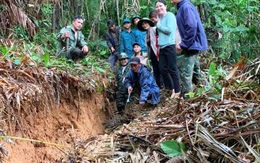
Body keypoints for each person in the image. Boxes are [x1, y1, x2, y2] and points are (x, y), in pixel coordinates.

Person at [170, 0, 211, 98]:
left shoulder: (186, 7)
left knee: (185, 77)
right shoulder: (182, 7)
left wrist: (184, 44)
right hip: (192, 45)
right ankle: (211, 94)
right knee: (197, 74)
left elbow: (192, 26)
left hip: (190, 46)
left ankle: (188, 101)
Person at [154, 0, 180, 98]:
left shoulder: (169, 16)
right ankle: (172, 88)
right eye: (157, 7)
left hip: (170, 46)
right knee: (163, 69)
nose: (159, 8)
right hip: (162, 47)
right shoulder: (159, 18)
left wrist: (158, 25)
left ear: (165, 6)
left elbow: (169, 30)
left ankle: (177, 91)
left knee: (172, 69)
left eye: (160, 6)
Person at [137, 14, 162, 88]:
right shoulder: (146, 34)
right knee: (156, 70)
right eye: (143, 24)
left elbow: (158, 41)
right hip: (152, 54)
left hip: (158, 52)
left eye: (145, 23)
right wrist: (147, 55)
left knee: (162, 69)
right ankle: (158, 86)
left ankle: (165, 85)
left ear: (149, 23)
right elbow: (149, 46)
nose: (144, 25)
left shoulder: (154, 29)